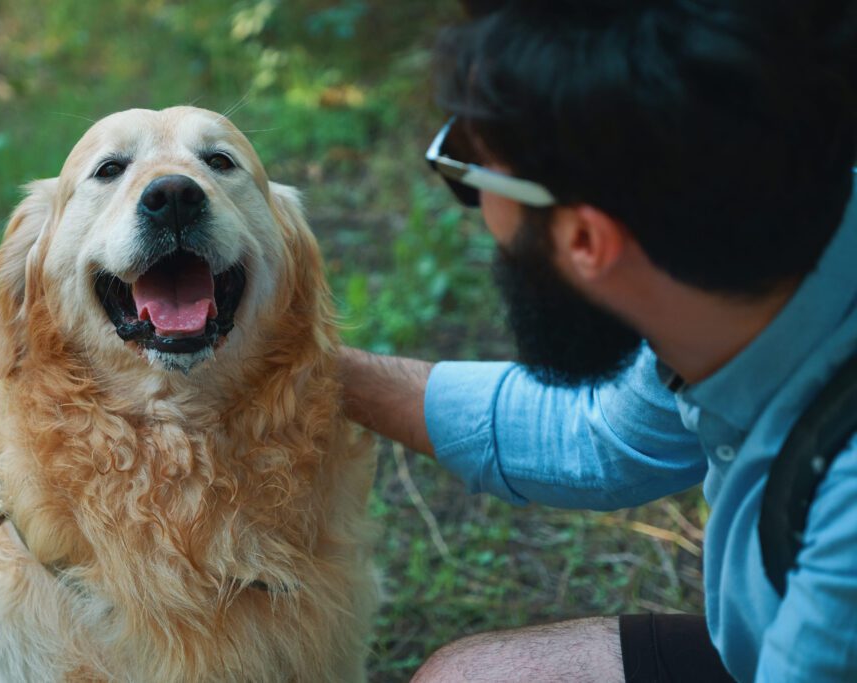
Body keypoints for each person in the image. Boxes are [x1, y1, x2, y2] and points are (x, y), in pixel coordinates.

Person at [339, 1, 857, 681]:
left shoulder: (844, 526)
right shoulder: (739, 283)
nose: (477, 215)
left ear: (587, 239)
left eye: (468, 167)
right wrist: (318, 372)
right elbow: (596, 435)